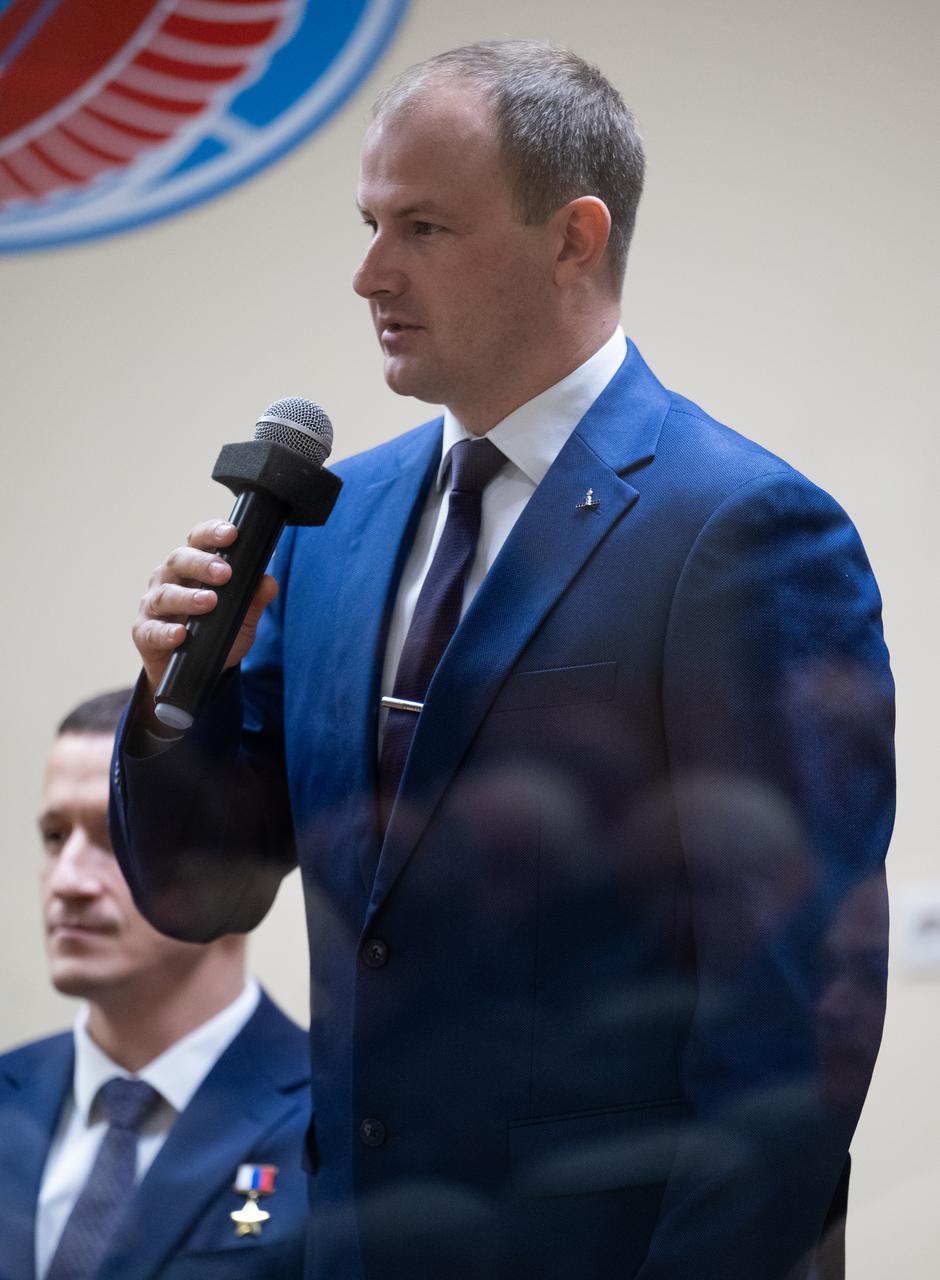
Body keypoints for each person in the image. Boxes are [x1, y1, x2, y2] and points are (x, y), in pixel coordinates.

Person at [110, 40, 895, 1280]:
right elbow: (205, 895)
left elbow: (792, 1023)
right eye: (369, 221)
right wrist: (171, 702)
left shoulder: (738, 528)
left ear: (573, 236)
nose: (367, 272)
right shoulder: (332, 519)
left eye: (422, 225)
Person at [0, 690, 310, 1280]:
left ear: (232, 860)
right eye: (54, 837)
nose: (68, 882)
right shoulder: (5, 1097)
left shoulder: (334, 1125)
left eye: (117, 836)